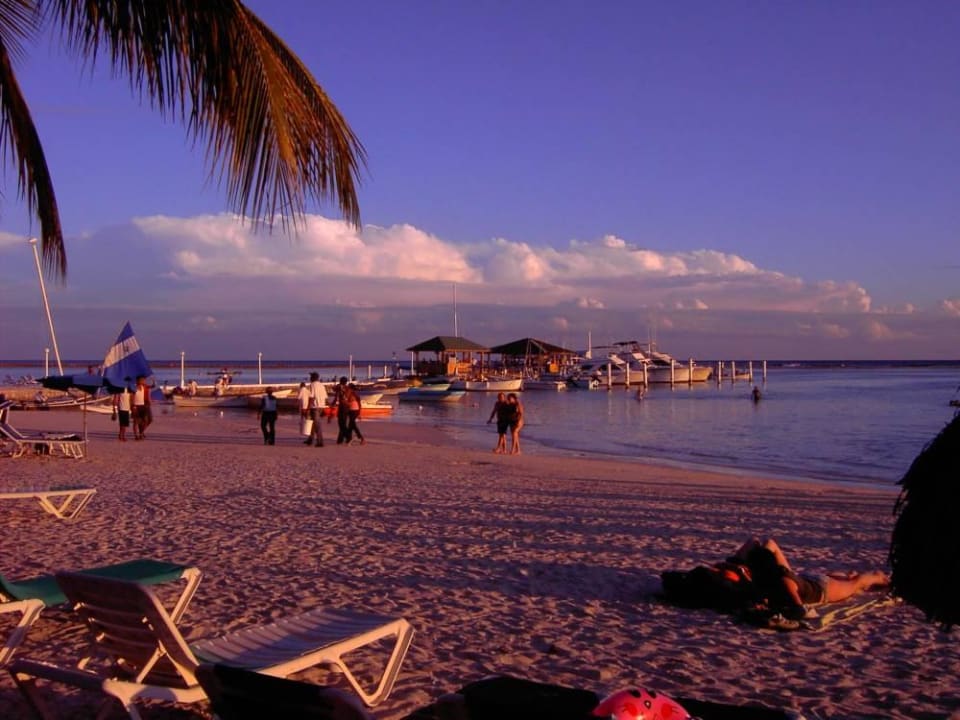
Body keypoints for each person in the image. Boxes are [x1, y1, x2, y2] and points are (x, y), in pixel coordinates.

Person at [733, 537, 889, 616]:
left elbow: (799, 609)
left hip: (821, 588)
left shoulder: (784, 582)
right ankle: (735, 561)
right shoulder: (773, 576)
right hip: (803, 579)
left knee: (856, 583)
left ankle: (877, 576)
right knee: (764, 543)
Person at [304, 372, 327, 447]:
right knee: (313, 424)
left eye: (310, 377)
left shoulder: (312, 385)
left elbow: (311, 397)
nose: (310, 378)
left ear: (312, 378)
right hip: (321, 406)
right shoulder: (322, 385)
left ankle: (320, 442)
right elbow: (325, 397)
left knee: (317, 425)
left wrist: (307, 408)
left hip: (315, 407)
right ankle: (310, 439)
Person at [132, 375, 152, 440]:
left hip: (143, 406)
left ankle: (141, 432)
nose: (143, 381)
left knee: (145, 421)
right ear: (138, 381)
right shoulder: (134, 388)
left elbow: (152, 386)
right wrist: (133, 406)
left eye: (143, 380)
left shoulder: (144, 387)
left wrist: (153, 381)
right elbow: (131, 397)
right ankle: (136, 435)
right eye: (142, 380)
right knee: (136, 422)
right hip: (136, 406)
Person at [332, 377, 351, 444]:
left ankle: (348, 437)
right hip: (347, 407)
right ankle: (340, 439)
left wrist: (332, 404)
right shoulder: (348, 388)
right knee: (343, 423)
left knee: (341, 423)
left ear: (341, 381)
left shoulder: (340, 388)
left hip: (342, 406)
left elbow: (336, 396)